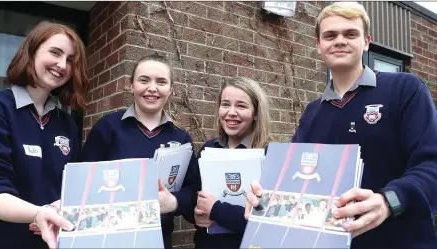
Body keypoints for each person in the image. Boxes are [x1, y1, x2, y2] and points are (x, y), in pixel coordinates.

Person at [245, 2, 437, 248]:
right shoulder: (312, 112)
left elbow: (431, 163)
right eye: (330, 35)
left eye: (350, 34)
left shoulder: (405, 89)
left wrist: (390, 200)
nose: (339, 40)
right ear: (318, 46)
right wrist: (265, 196)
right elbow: (293, 180)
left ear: (366, 41)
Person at [0, 21, 89, 248]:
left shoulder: (67, 123)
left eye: (70, 60)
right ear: (31, 52)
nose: (62, 65)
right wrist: (38, 214)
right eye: (55, 53)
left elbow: (72, 187)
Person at [78, 54, 200, 249]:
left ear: (171, 90)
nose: (152, 88)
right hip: (109, 238)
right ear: (131, 85)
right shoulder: (107, 128)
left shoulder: (181, 138)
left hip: (159, 239)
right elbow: (82, 182)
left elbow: (193, 189)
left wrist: (175, 202)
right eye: (144, 80)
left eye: (161, 82)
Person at [194, 77, 273, 248]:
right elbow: (194, 196)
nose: (231, 112)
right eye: (225, 104)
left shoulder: (270, 155)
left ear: (256, 114)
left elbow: (270, 220)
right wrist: (196, 213)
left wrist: (216, 210)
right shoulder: (208, 150)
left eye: (241, 106)